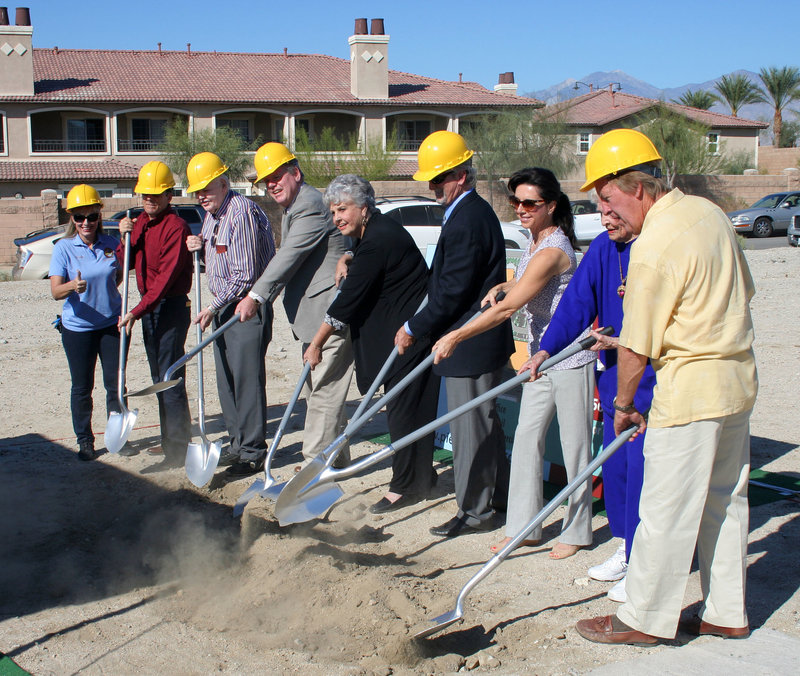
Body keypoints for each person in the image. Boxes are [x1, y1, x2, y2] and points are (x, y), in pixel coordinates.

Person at [574, 129, 757, 645]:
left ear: (637, 186)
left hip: (692, 387)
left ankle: (642, 620)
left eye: (608, 198)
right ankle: (726, 612)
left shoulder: (654, 244)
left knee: (664, 510)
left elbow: (635, 345)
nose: (608, 211)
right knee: (725, 501)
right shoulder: (708, 213)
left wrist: (624, 404)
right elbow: (747, 288)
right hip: (736, 380)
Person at [431, 167, 595, 558]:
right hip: (541, 357)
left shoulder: (554, 248)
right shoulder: (535, 240)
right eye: (515, 201)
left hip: (571, 356)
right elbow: (521, 286)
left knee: (575, 448)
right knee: (524, 442)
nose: (520, 209)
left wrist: (456, 334)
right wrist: (504, 283)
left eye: (529, 203)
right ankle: (525, 527)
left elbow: (508, 310)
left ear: (551, 206)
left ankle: (576, 531)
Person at [524, 210, 657, 600]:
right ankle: (626, 543)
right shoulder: (604, 248)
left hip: (655, 374)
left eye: (612, 210)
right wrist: (547, 349)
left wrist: (628, 342)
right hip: (617, 376)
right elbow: (576, 304)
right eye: (600, 209)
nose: (603, 219)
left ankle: (645, 555)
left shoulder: (658, 245)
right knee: (615, 465)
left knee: (643, 468)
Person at [395, 131, 513, 538]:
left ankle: (475, 512)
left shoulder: (469, 218)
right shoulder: (466, 213)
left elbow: (453, 290)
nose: (433, 188)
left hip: (471, 340)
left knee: (470, 428)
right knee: (483, 423)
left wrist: (414, 327)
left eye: (439, 179)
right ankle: (497, 498)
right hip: (473, 339)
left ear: (461, 175)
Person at [304, 174, 439, 511]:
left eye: (343, 209)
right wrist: (346, 257)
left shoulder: (378, 239)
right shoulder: (374, 233)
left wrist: (317, 342)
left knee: (405, 413)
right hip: (405, 335)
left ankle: (405, 486)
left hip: (406, 338)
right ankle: (422, 478)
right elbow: (366, 264)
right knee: (412, 409)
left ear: (364, 208)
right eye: (333, 212)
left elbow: (346, 302)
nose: (337, 218)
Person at [235, 143, 354, 467]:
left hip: (330, 315)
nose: (271, 184)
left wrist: (256, 296)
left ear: (295, 173)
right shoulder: (294, 207)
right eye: (266, 181)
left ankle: (312, 467)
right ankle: (337, 461)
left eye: (277, 177)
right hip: (312, 317)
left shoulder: (310, 205)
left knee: (322, 394)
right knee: (320, 390)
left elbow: (287, 258)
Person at [185, 152, 276, 477]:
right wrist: (199, 245)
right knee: (227, 382)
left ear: (223, 183)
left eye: (206, 188)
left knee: (247, 381)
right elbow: (219, 260)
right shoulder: (213, 215)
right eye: (197, 190)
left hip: (246, 308)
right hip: (224, 307)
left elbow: (245, 274)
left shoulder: (241, 213)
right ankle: (237, 446)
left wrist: (211, 307)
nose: (201, 195)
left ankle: (252, 452)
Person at [117, 161, 193, 472]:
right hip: (149, 309)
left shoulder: (176, 228)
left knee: (169, 379)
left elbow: (164, 279)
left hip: (170, 308)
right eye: (146, 194)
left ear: (169, 196)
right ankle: (170, 440)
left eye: (156, 195)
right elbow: (125, 264)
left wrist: (136, 311)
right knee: (157, 377)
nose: (150, 199)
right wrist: (126, 239)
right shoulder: (139, 224)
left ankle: (177, 451)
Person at [49, 184, 123, 461]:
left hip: (110, 326)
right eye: (79, 217)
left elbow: (117, 277)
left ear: (99, 216)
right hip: (78, 329)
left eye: (91, 216)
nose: (85, 223)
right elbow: (55, 292)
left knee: (115, 385)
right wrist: (73, 285)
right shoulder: (64, 249)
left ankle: (116, 437)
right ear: (72, 219)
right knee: (82, 387)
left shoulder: (111, 245)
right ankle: (85, 440)